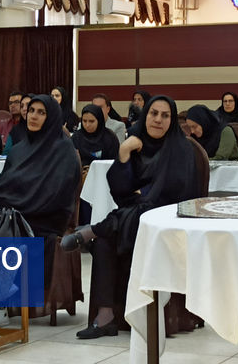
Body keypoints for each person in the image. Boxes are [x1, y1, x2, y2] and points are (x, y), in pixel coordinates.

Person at [62, 95, 200, 339]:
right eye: (153, 113)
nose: (157, 119)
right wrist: (124, 152)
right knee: (107, 239)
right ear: (145, 115)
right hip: (135, 217)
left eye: (165, 115)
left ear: (172, 120)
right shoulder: (136, 145)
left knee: (135, 215)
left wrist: (142, 197)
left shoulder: (182, 149)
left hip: (169, 221)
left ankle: (94, 229)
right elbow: (121, 194)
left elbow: (176, 194)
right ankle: (105, 317)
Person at [0, 94, 81, 288]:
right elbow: (1, 185)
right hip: (15, 211)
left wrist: (15, 205)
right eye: (32, 110)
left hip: (45, 215)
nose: (33, 116)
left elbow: (56, 193)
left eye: (41, 112)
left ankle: (0, 290)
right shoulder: (19, 150)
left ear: (52, 117)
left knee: (6, 226)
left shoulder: (63, 150)